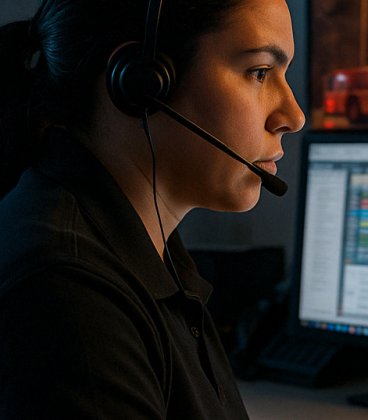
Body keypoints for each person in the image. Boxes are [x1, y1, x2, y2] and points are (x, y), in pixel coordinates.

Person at [0, 0, 305, 418]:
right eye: (259, 72)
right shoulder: (70, 296)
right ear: (140, 84)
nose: (293, 115)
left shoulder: (149, 251)